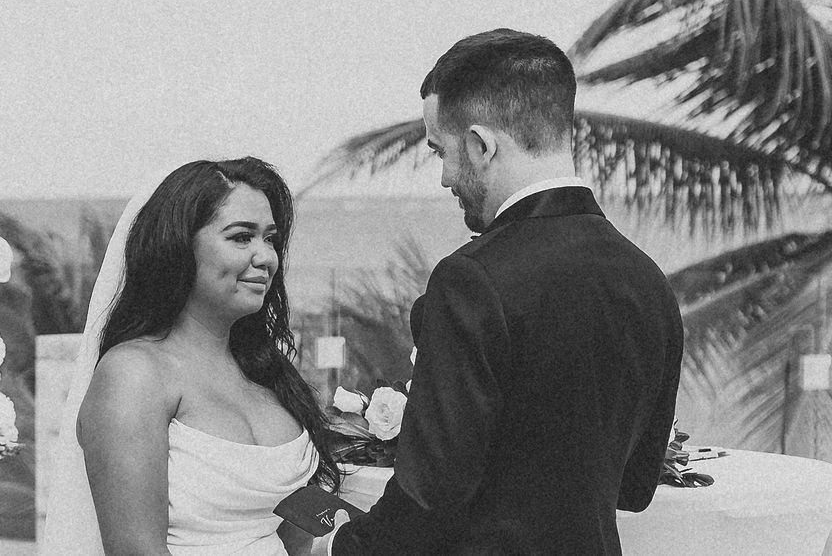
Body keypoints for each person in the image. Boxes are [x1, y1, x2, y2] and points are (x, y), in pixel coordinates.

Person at [317, 29, 684, 554]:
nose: (444, 177)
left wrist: (341, 546)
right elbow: (635, 485)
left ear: (481, 145)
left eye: (440, 152)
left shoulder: (471, 280)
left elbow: (429, 500)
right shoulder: (648, 281)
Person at [41, 157, 340, 556]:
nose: (267, 257)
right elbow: (136, 550)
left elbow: (295, 528)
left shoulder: (267, 372)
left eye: (270, 238)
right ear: (178, 247)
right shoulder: (135, 374)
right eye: (241, 237)